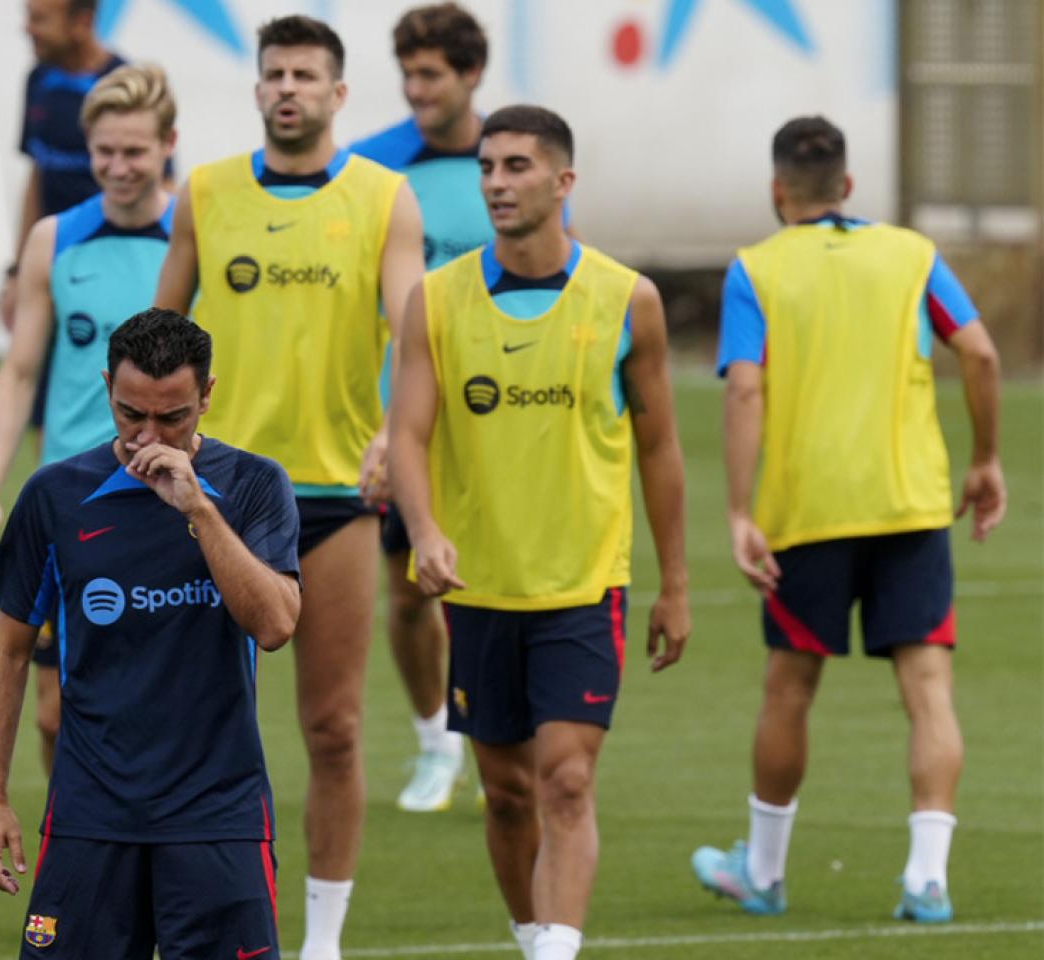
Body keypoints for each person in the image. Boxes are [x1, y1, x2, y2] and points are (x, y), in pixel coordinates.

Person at [391, 105, 691, 960]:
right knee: (508, 794)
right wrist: (424, 531)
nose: (495, 183)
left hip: (584, 587)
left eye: (517, 167)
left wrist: (673, 584)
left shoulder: (629, 299)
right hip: (479, 587)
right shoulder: (437, 302)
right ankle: (533, 938)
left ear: (562, 183)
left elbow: (661, 446)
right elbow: (407, 433)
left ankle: (556, 951)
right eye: (488, 167)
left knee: (566, 780)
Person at [690, 115, 1005, 926]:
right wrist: (985, 460)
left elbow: (745, 388)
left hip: (809, 510)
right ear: (850, 188)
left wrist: (736, 509)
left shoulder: (754, 270)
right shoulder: (911, 255)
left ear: (777, 190)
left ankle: (762, 873)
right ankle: (927, 880)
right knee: (928, 690)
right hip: (909, 504)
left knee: (790, 687)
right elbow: (980, 353)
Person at [154, 15, 424, 960]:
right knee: (186, 723)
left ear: (339, 94)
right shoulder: (207, 194)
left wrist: (394, 430)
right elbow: (156, 342)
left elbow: (415, 339)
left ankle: (323, 942)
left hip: (333, 498)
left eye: (306, 75)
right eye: (274, 73)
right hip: (215, 495)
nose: (287, 89)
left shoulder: (385, 199)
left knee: (334, 727)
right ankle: (179, 918)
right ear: (258, 86)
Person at [0, 308, 301, 959]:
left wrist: (197, 509)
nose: (148, 435)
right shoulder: (55, 496)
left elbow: (275, 624)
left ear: (207, 395)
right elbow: (7, 652)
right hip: (90, 818)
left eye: (173, 417)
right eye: (131, 414)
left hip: (218, 818)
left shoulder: (254, 486)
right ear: (106, 388)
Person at [0, 63, 178, 778]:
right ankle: (83, 862)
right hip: (76, 499)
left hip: (170, 500)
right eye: (105, 152)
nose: (118, 168)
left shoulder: (195, 239)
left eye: (135, 152)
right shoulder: (55, 241)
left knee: (160, 701)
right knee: (57, 712)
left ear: (167, 145)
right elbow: (21, 370)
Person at [348, 0, 492, 815]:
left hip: (502, 412)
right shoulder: (373, 169)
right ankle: (438, 739)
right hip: (405, 415)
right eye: (406, 73)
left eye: (430, 73)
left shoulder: (510, 160)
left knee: (497, 585)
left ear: (471, 75)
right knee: (407, 594)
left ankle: (504, 733)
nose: (415, 89)